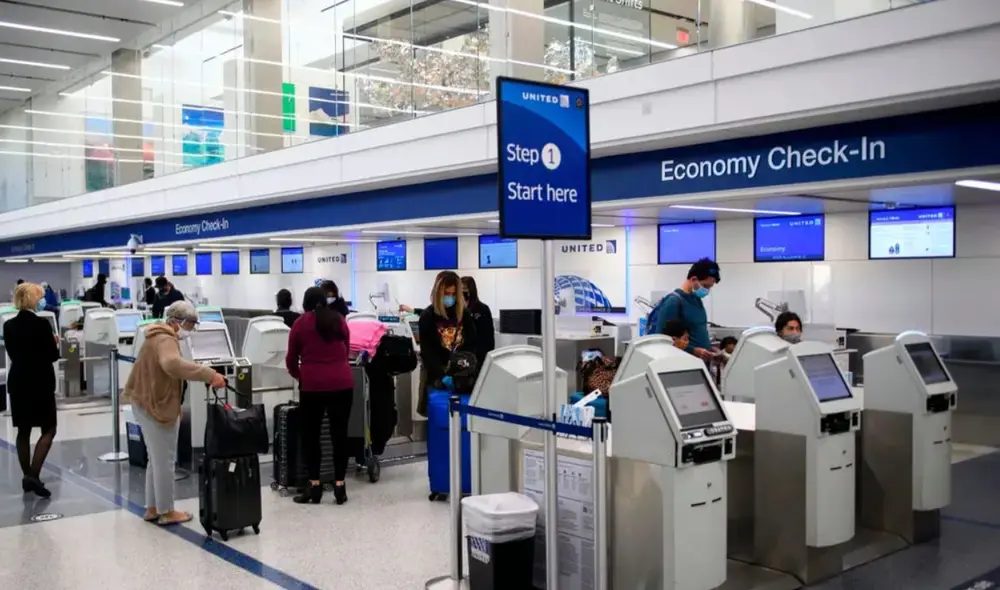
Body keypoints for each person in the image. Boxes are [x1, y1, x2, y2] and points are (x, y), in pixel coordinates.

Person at [124, 301, 226, 525]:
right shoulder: (166, 339)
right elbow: (171, 364)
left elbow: (160, 374)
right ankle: (167, 511)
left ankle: (153, 508)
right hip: (154, 406)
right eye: (188, 324)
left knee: (156, 458)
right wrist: (209, 374)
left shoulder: (154, 336)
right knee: (165, 460)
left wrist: (174, 399)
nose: (189, 329)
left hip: (145, 402)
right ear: (175, 322)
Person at [285, 286, 354, 505]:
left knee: (312, 437)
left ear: (305, 304)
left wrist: (302, 376)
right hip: (343, 384)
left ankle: (314, 488)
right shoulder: (339, 319)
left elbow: (290, 359)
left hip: (312, 387)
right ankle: (340, 487)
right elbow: (346, 349)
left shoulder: (300, 324)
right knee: (339, 436)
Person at [3, 283, 60, 497]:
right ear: (33, 299)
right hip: (41, 382)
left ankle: (27, 475)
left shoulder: (8, 326)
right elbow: (53, 355)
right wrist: (53, 342)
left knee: (23, 430)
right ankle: (33, 476)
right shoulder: (42, 325)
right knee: (49, 428)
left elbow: (14, 353)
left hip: (19, 382)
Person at [416, 271, 478, 416]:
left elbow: (471, 344)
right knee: (438, 416)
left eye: (453, 294)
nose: (450, 297)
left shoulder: (464, 315)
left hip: (462, 373)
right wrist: (442, 375)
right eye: (446, 293)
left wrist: (466, 369)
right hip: (437, 374)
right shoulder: (428, 316)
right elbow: (428, 351)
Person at [651, 258, 721, 361]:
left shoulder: (697, 301)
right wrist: (693, 350)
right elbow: (663, 339)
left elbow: (696, 332)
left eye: (709, 287)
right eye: (705, 286)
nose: (707, 290)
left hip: (699, 362)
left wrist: (709, 349)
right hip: (683, 362)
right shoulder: (674, 301)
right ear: (693, 280)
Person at [460, 276, 495, 368]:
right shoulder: (457, 310)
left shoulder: (482, 309)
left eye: (464, 289)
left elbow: (488, 339)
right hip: (461, 356)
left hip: (478, 356)